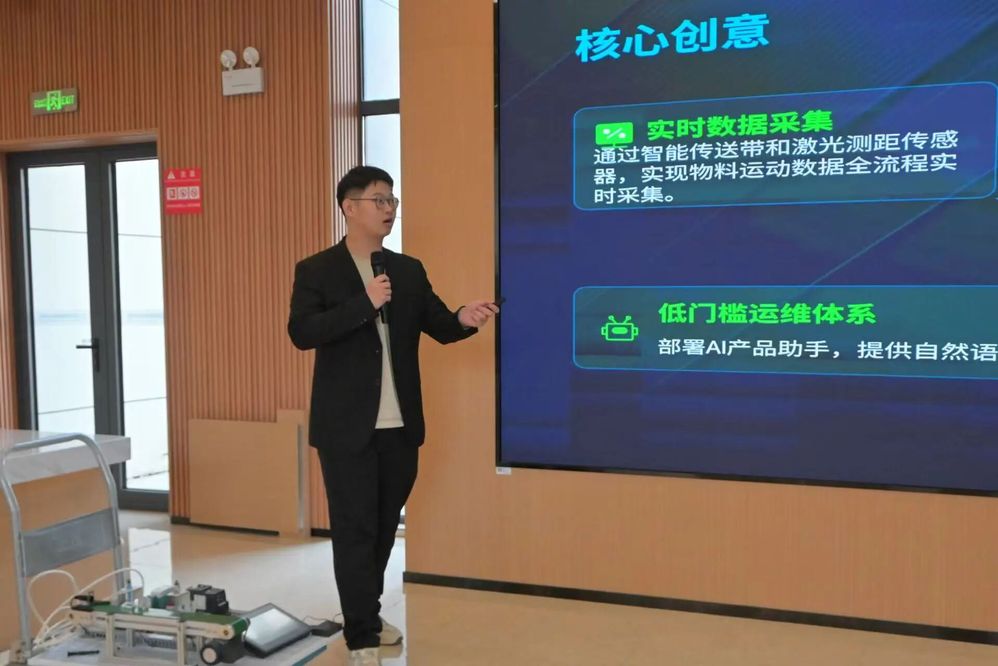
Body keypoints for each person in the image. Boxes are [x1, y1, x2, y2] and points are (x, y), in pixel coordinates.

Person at [287, 165, 498, 666]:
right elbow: (303, 332)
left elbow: (439, 324)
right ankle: (361, 635)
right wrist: (364, 303)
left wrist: (464, 319)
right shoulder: (318, 270)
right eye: (379, 200)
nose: (390, 209)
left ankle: (367, 612)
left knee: (382, 529)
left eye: (392, 200)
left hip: (400, 428)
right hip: (346, 429)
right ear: (349, 207)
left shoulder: (407, 270)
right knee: (355, 530)